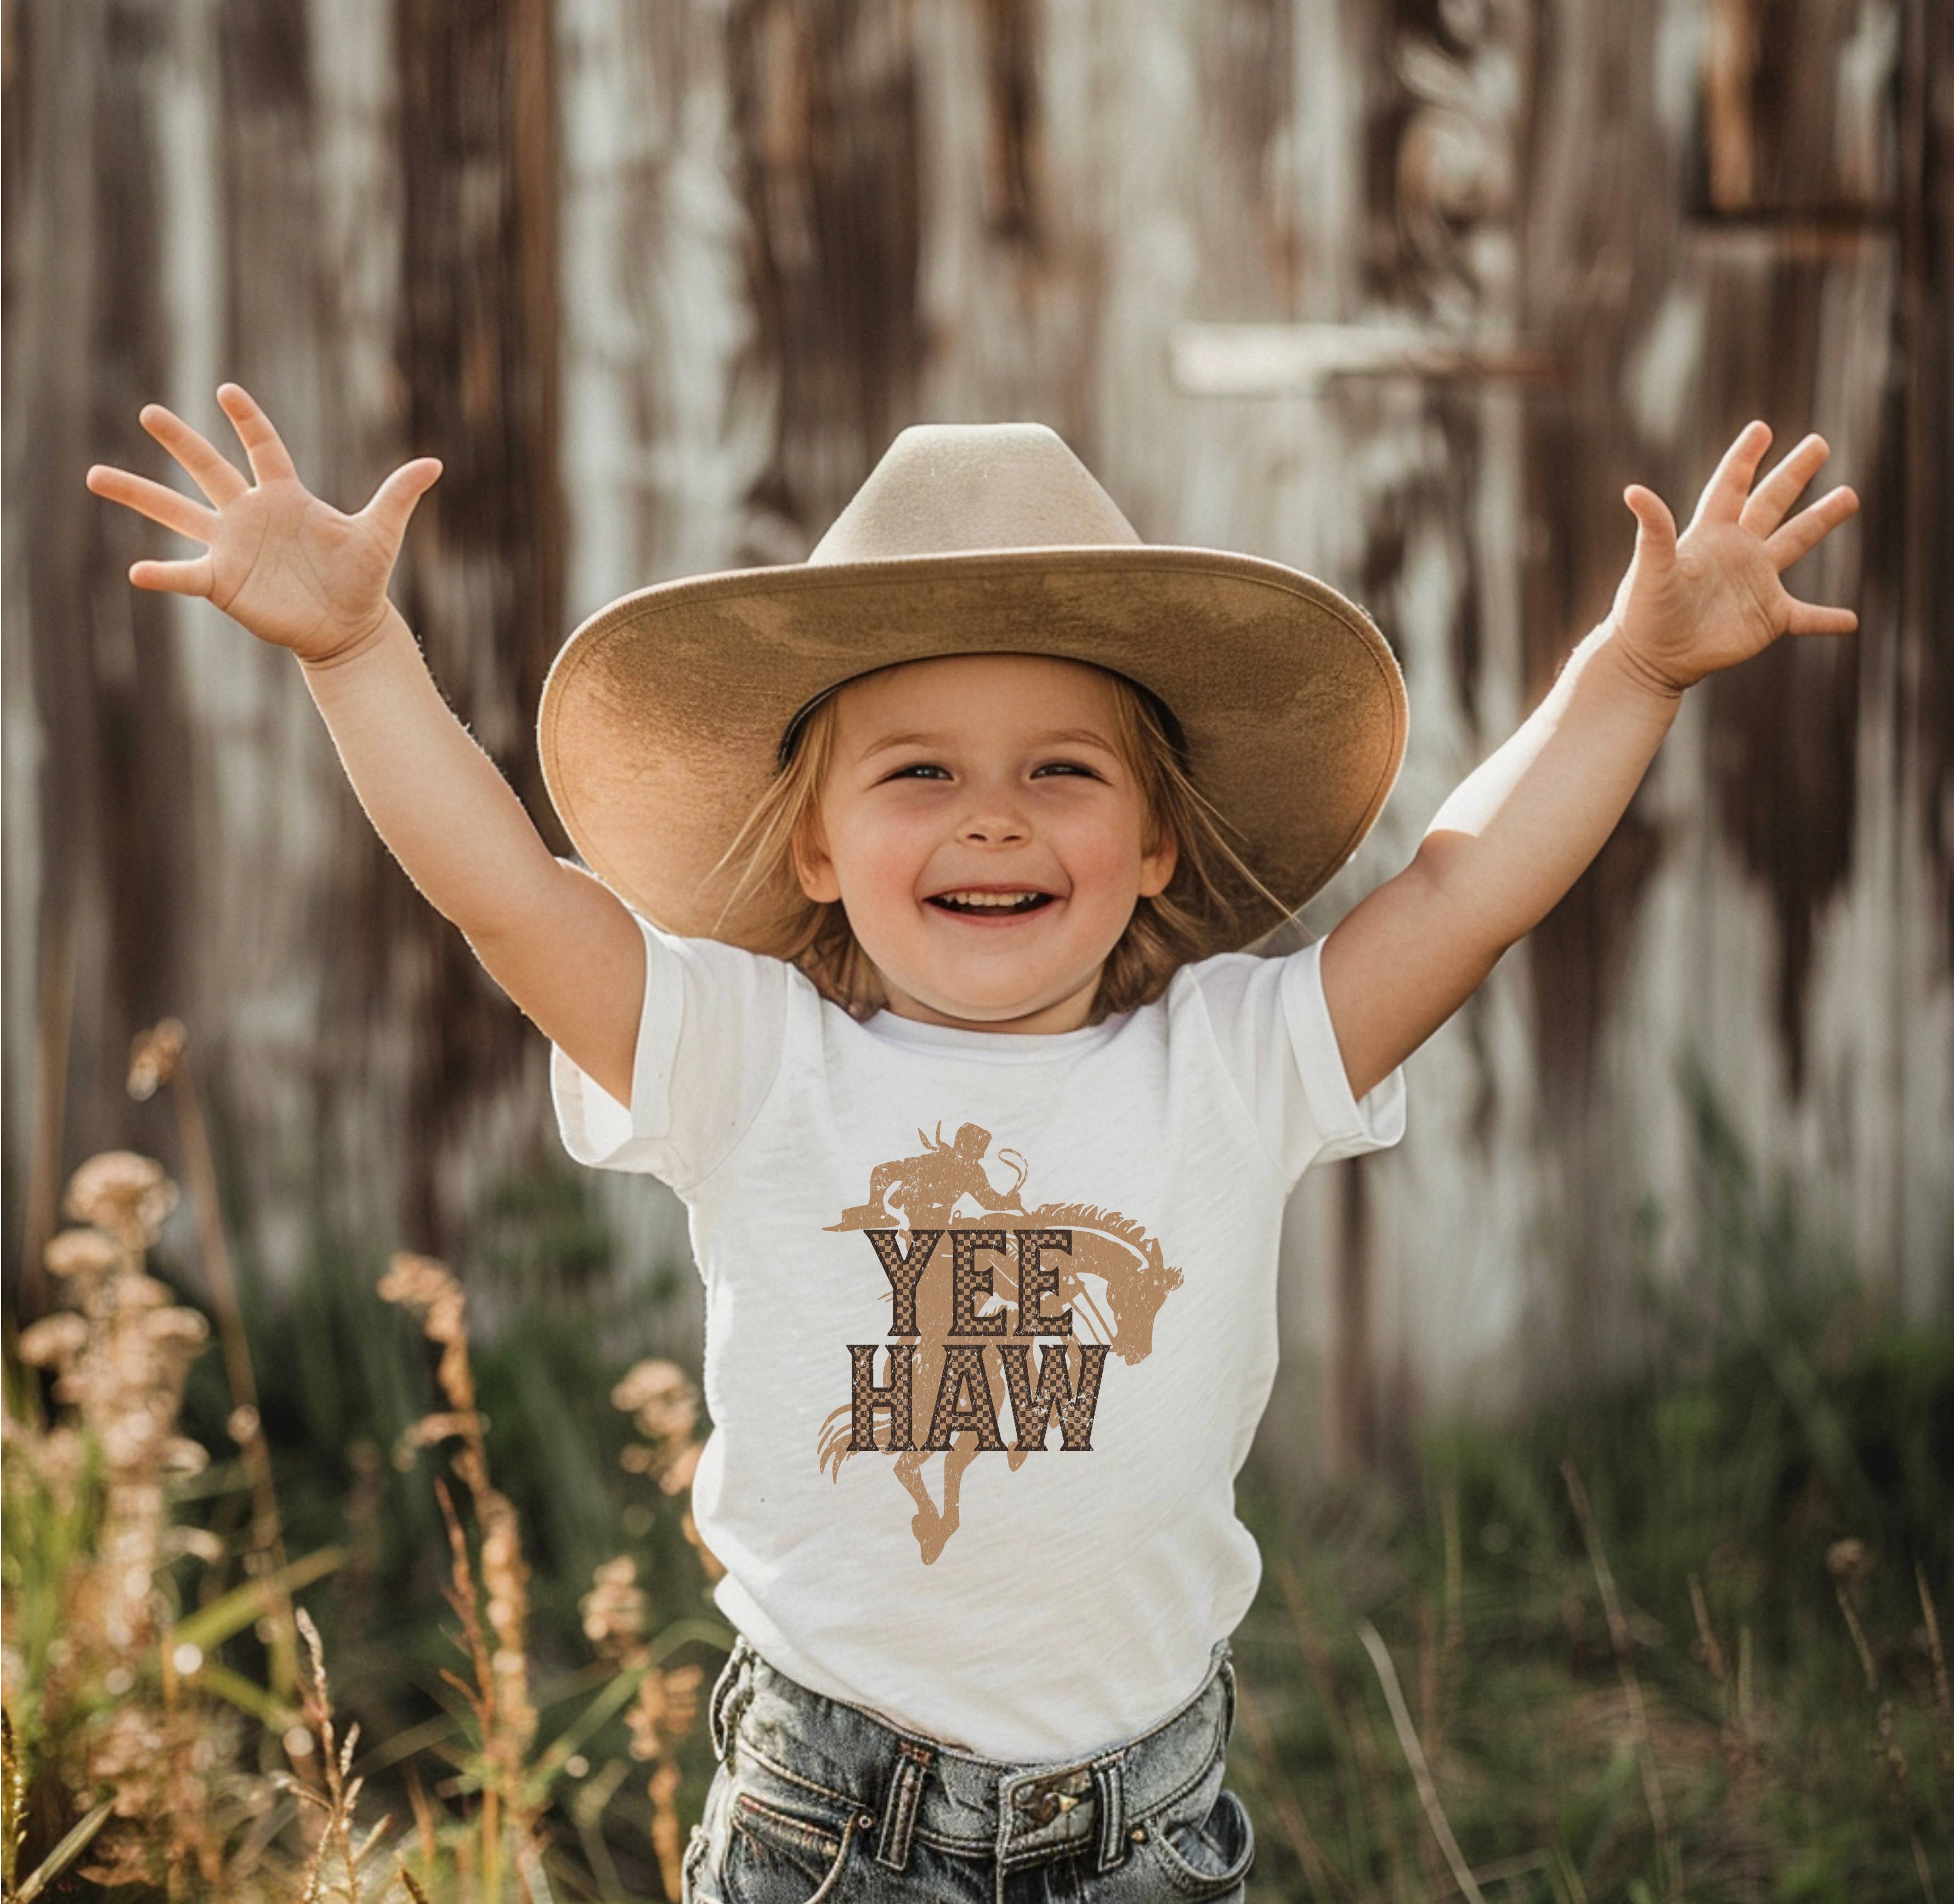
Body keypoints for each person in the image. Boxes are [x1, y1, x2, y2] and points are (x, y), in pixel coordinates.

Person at [88, 389, 1859, 1902]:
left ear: (1156, 843)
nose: (992, 816)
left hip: (1145, 1816)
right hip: (829, 1814)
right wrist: (354, 654)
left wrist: (1635, 668)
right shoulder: (745, 1055)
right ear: (815, 848)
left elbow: (1465, 893)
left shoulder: (1233, 1060)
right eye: (917, 774)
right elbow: (503, 896)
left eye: (1061, 772)